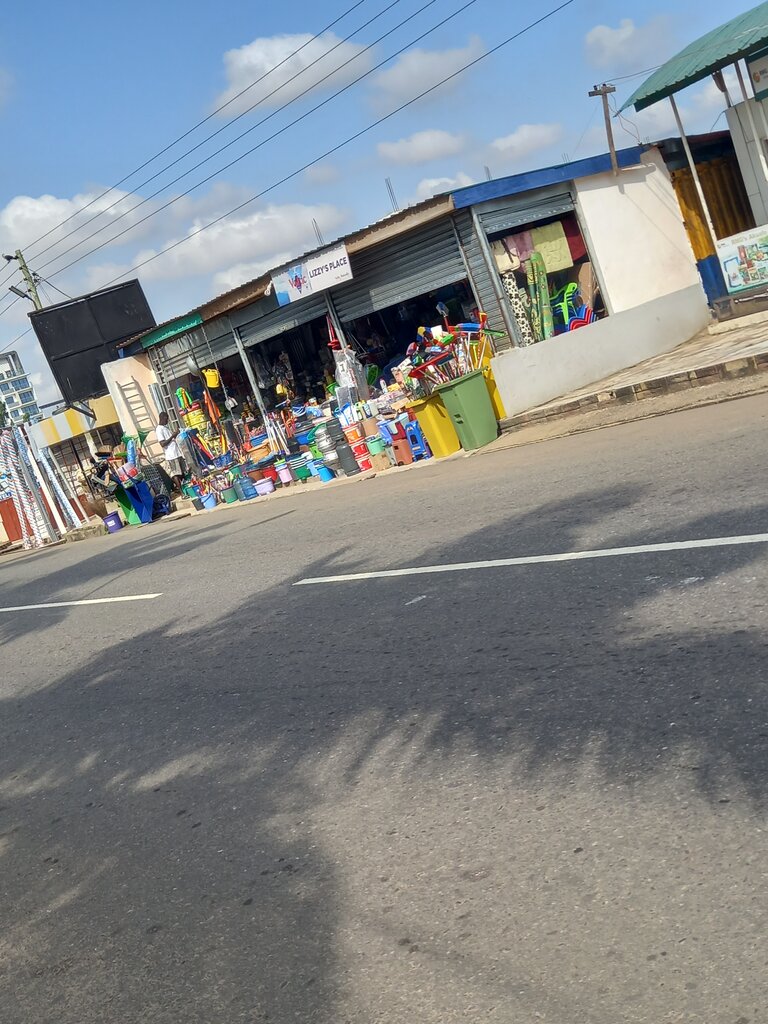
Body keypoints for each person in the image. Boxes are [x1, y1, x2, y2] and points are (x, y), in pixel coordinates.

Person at [156, 412, 186, 492]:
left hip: (177, 453)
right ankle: (181, 492)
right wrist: (172, 436)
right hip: (171, 455)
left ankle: (185, 488)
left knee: (182, 472)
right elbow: (162, 443)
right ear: (164, 418)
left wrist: (175, 434)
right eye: (167, 419)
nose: (168, 421)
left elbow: (171, 439)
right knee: (175, 474)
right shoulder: (159, 429)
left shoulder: (165, 428)